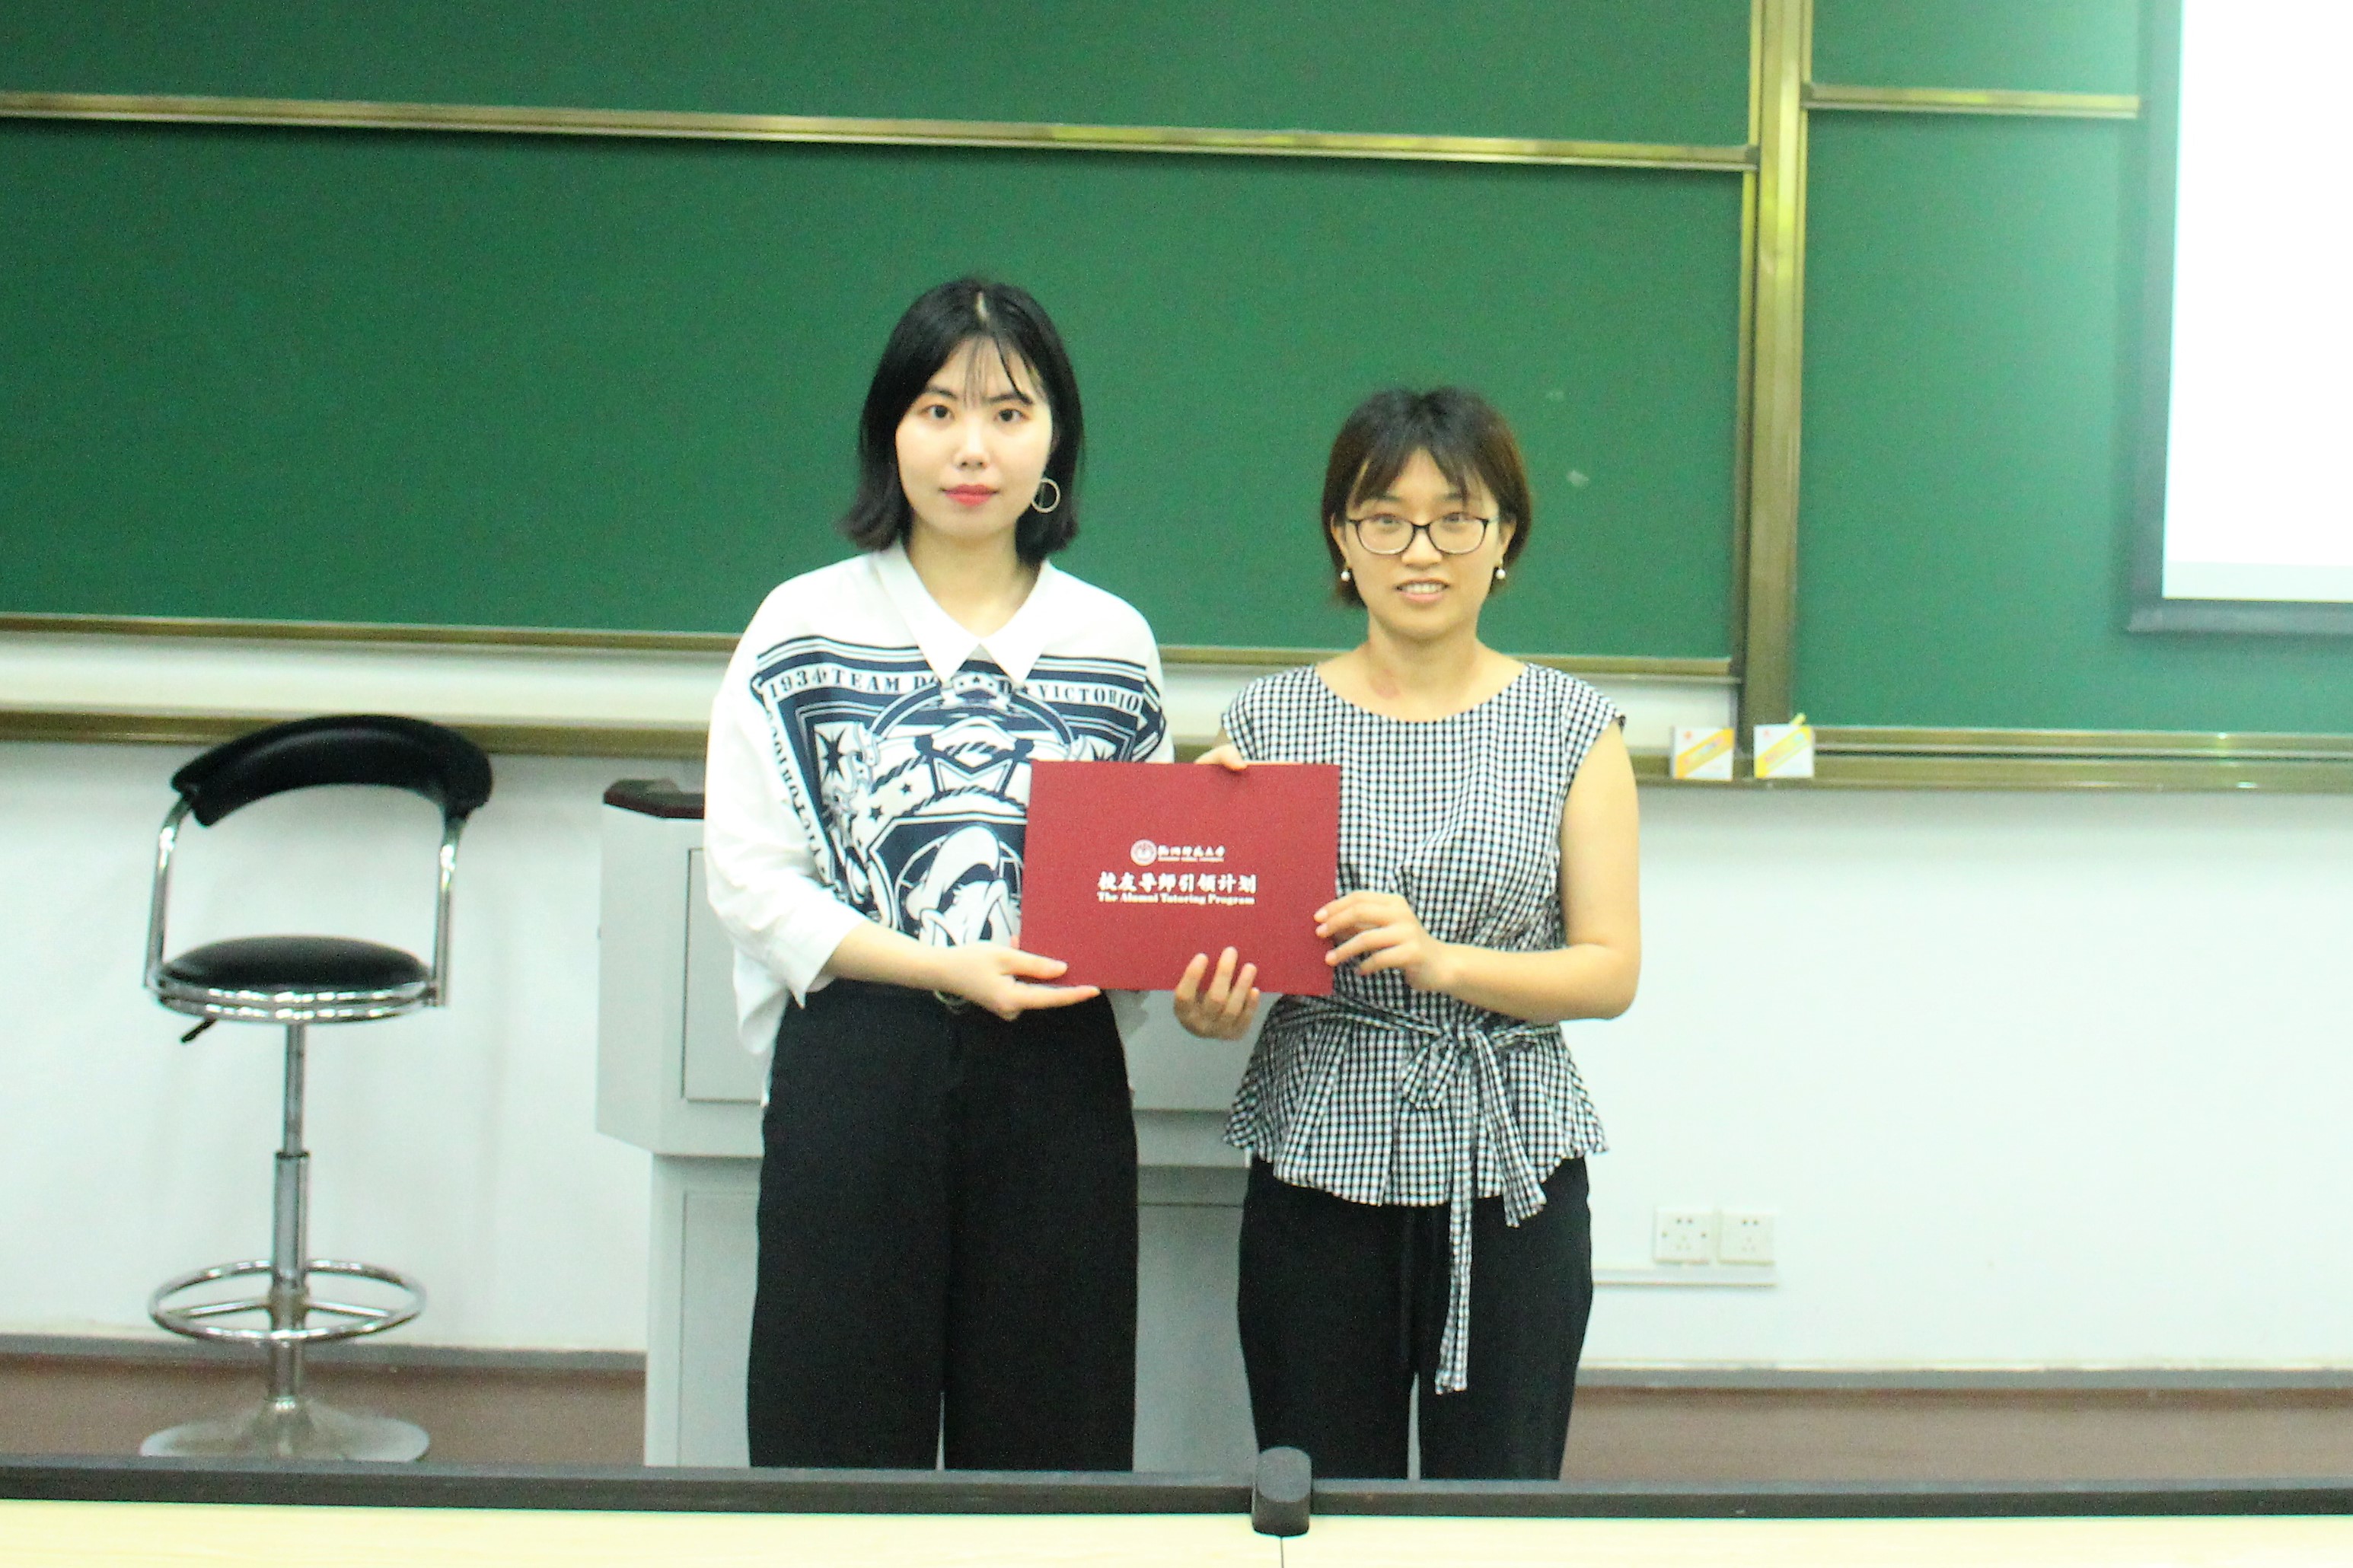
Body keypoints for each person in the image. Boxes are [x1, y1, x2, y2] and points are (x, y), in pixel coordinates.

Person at [703, 279, 1171, 1471]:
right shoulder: (799, 626)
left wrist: (1202, 930)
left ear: (1055, 440)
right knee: (835, 1442)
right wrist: (940, 966)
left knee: (1055, 1447)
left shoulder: (1114, 644)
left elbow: (1142, 889)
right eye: (938, 410)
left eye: (1010, 413)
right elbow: (750, 879)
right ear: (890, 432)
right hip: (860, 1062)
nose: (973, 448)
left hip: (1056, 1075)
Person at [1172, 387, 1640, 1480]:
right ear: (1342, 538)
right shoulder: (1265, 724)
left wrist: (1442, 962)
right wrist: (1206, 998)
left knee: (1501, 1502)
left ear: (1505, 536)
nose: (1421, 550)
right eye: (1385, 518)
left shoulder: (1575, 725)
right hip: (1318, 1142)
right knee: (1322, 1493)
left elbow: (1610, 971)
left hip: (1511, 1156)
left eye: (1456, 518)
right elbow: (1221, 951)